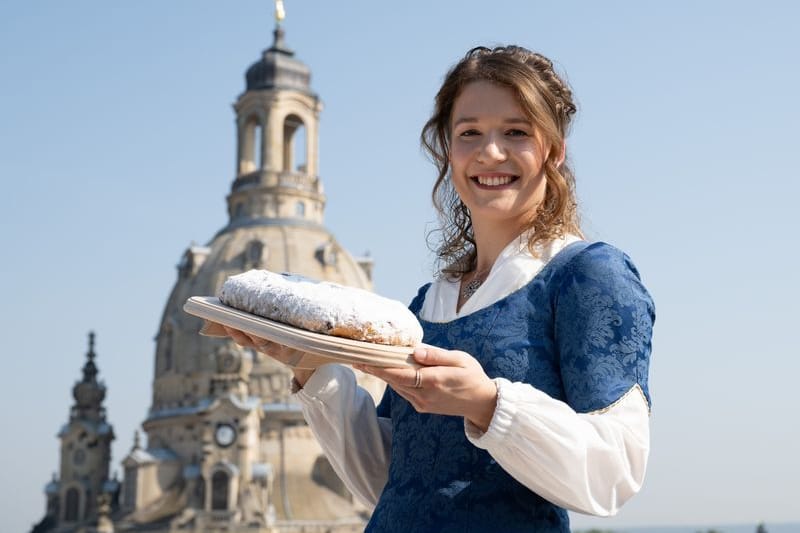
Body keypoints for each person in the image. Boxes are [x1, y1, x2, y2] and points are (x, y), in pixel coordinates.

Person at [221, 45, 655, 533]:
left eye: (516, 131)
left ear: (553, 149)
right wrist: (309, 364)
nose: (491, 152)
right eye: (470, 133)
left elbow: (616, 473)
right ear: (449, 151)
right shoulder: (431, 301)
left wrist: (486, 403)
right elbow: (391, 480)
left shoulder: (588, 275)